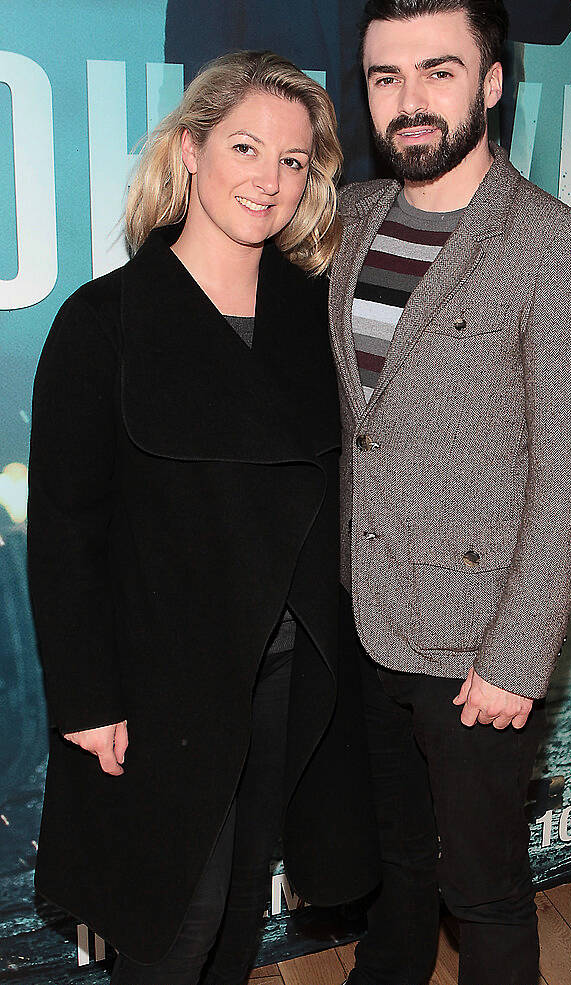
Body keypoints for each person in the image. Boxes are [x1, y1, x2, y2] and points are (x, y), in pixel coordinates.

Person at [27, 50, 379, 985]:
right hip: (159, 684)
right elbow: (66, 528)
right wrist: (90, 700)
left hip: (286, 672)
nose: (268, 179)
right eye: (245, 146)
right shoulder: (103, 322)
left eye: (294, 160)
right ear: (191, 150)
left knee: (233, 923)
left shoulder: (316, 318)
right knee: (168, 927)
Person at [328, 0, 571, 985]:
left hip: (475, 649)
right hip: (363, 614)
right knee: (397, 864)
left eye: (438, 70)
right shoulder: (347, 219)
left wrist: (516, 655)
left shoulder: (556, 245)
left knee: (485, 890)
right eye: (383, 77)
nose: (409, 101)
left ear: (491, 82)